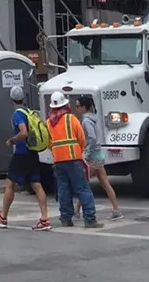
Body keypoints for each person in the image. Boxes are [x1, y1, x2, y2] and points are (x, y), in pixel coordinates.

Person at [0, 85, 51, 230]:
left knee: (10, 184)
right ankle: (45, 218)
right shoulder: (30, 112)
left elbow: (24, 132)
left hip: (22, 154)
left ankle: (3, 217)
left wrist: (12, 140)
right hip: (33, 153)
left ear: (11, 100)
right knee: (36, 184)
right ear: (24, 98)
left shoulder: (17, 114)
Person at [46, 91, 102, 228]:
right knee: (82, 188)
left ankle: (65, 219)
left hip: (58, 160)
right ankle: (89, 219)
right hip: (73, 158)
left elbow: (48, 142)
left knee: (63, 190)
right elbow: (82, 138)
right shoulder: (71, 119)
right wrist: (80, 151)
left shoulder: (49, 122)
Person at [74, 96, 121, 220]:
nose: (77, 108)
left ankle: (77, 211)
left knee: (83, 183)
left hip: (92, 156)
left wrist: (87, 153)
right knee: (104, 183)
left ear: (84, 107)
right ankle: (116, 209)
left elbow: (92, 138)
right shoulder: (93, 119)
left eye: (78, 106)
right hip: (98, 154)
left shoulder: (86, 121)